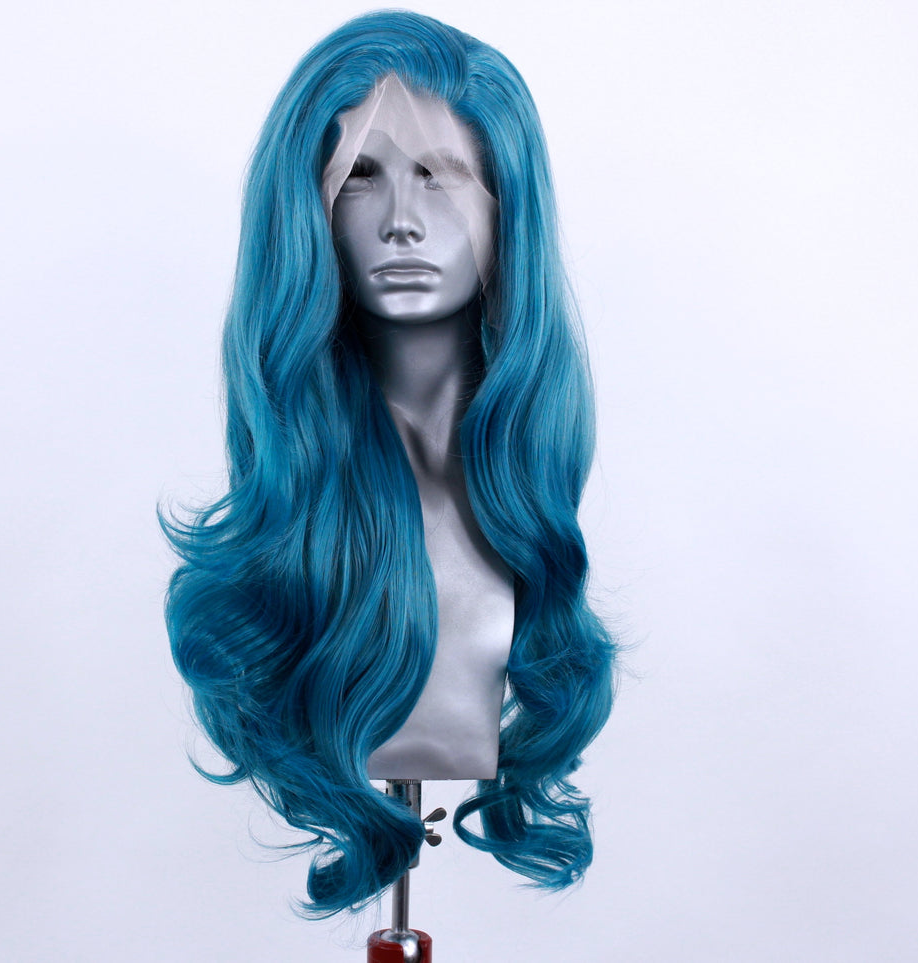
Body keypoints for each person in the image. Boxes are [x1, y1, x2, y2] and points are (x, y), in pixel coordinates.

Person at [165, 10, 615, 917]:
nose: (402, 222)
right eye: (361, 176)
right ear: (309, 211)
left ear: (505, 209)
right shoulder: (292, 528)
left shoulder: (515, 516)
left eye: (440, 176)